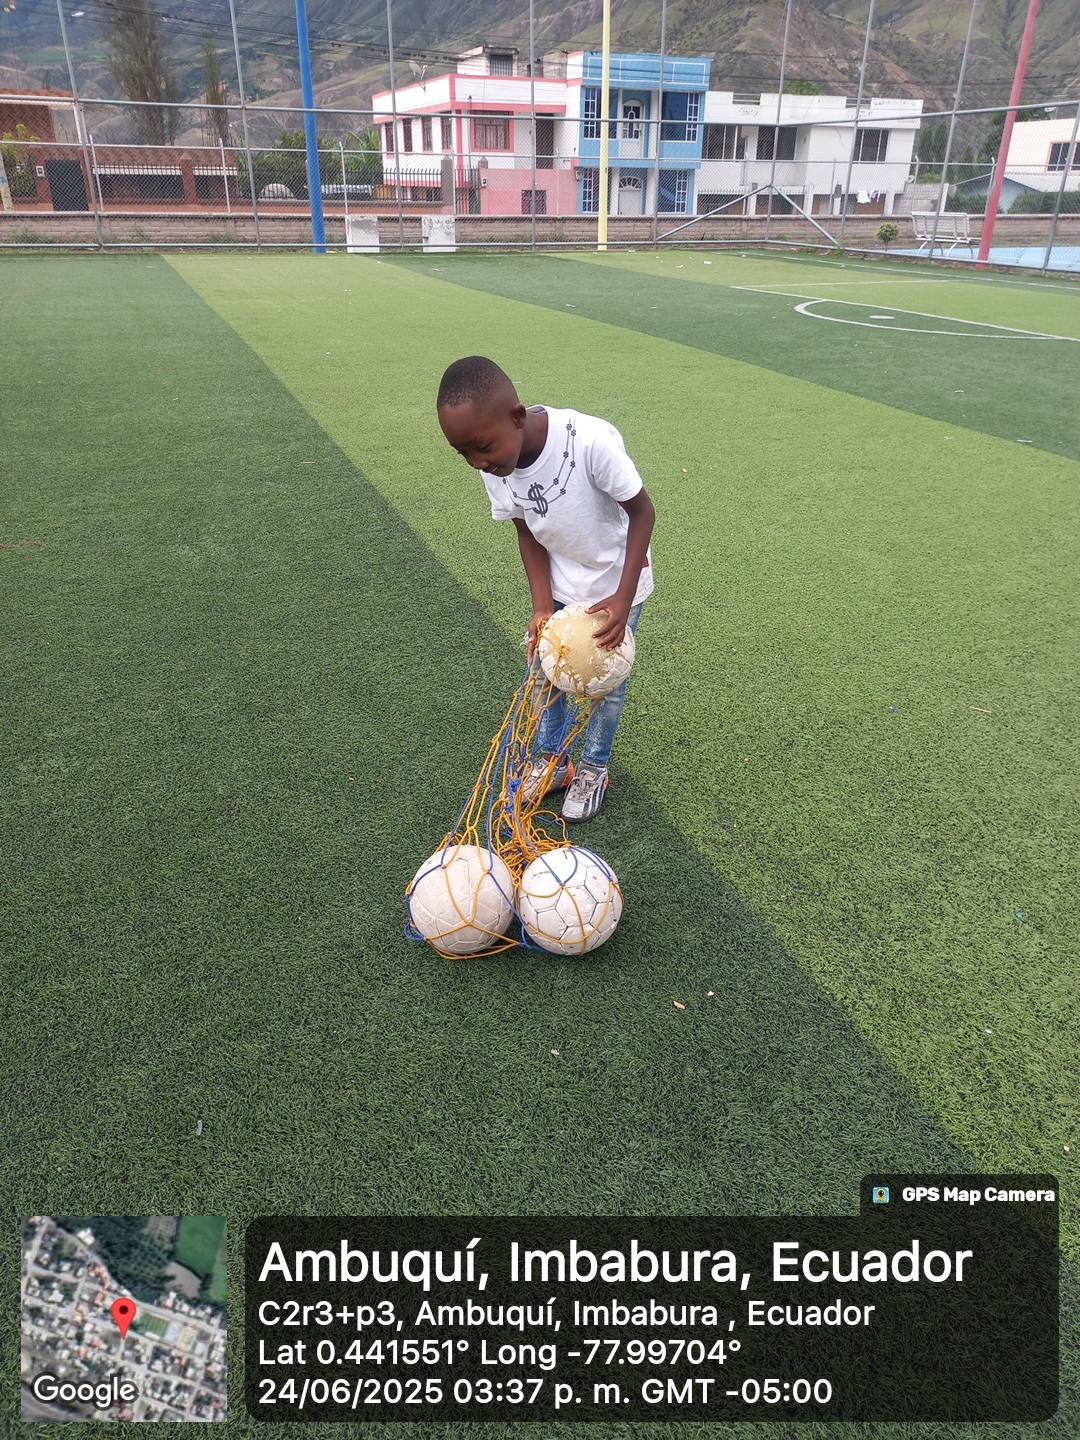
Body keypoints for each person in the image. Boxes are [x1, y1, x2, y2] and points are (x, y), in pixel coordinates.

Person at [437, 356, 655, 823]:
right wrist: (542, 608)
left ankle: (594, 768)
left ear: (517, 417)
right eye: (464, 454)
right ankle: (554, 761)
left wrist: (623, 596)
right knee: (543, 671)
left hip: (616, 581)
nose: (478, 463)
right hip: (560, 578)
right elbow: (527, 532)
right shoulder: (495, 465)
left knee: (604, 683)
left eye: (482, 448)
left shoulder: (590, 442)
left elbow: (643, 513)